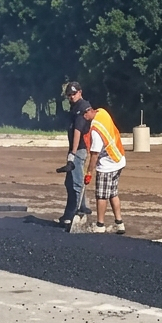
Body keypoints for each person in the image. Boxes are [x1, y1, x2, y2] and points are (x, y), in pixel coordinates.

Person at [82, 105, 126, 234]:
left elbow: (94, 154)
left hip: (108, 165)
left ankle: (100, 225)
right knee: (113, 193)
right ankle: (119, 223)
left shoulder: (95, 130)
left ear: (89, 111)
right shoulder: (102, 112)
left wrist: (89, 172)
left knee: (101, 195)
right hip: (119, 159)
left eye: (84, 115)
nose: (83, 118)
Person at [58, 82, 92, 228]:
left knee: (77, 182)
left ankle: (78, 212)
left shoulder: (82, 107)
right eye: (69, 95)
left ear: (80, 92)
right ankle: (71, 211)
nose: (72, 97)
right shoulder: (75, 107)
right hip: (74, 149)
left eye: (74, 93)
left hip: (78, 150)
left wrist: (73, 153)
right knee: (69, 182)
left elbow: (78, 131)